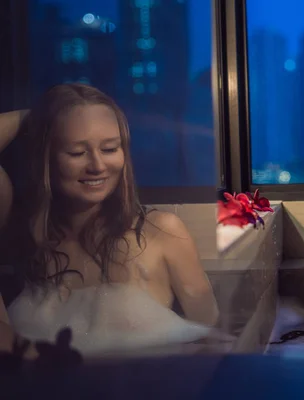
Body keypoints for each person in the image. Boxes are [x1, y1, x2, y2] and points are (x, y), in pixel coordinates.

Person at [0, 83, 219, 356]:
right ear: (45, 159)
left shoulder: (161, 232)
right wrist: (35, 117)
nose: (97, 166)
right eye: (77, 153)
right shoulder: (28, 235)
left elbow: (214, 342)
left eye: (110, 149)